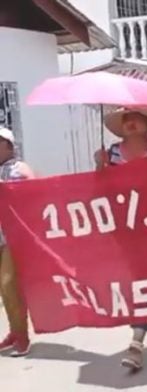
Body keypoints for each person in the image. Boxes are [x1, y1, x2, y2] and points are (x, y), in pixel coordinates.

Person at [95, 107, 147, 371]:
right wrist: (100, 167)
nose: (130, 122)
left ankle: (136, 342)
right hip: (125, 228)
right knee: (144, 276)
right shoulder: (110, 154)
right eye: (125, 118)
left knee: (144, 279)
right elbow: (99, 189)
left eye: (136, 118)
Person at [0, 127, 35, 357]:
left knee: (9, 284)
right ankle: (14, 330)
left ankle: (22, 336)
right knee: (5, 290)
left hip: (12, 236)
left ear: (9, 146)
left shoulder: (19, 168)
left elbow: (35, 192)